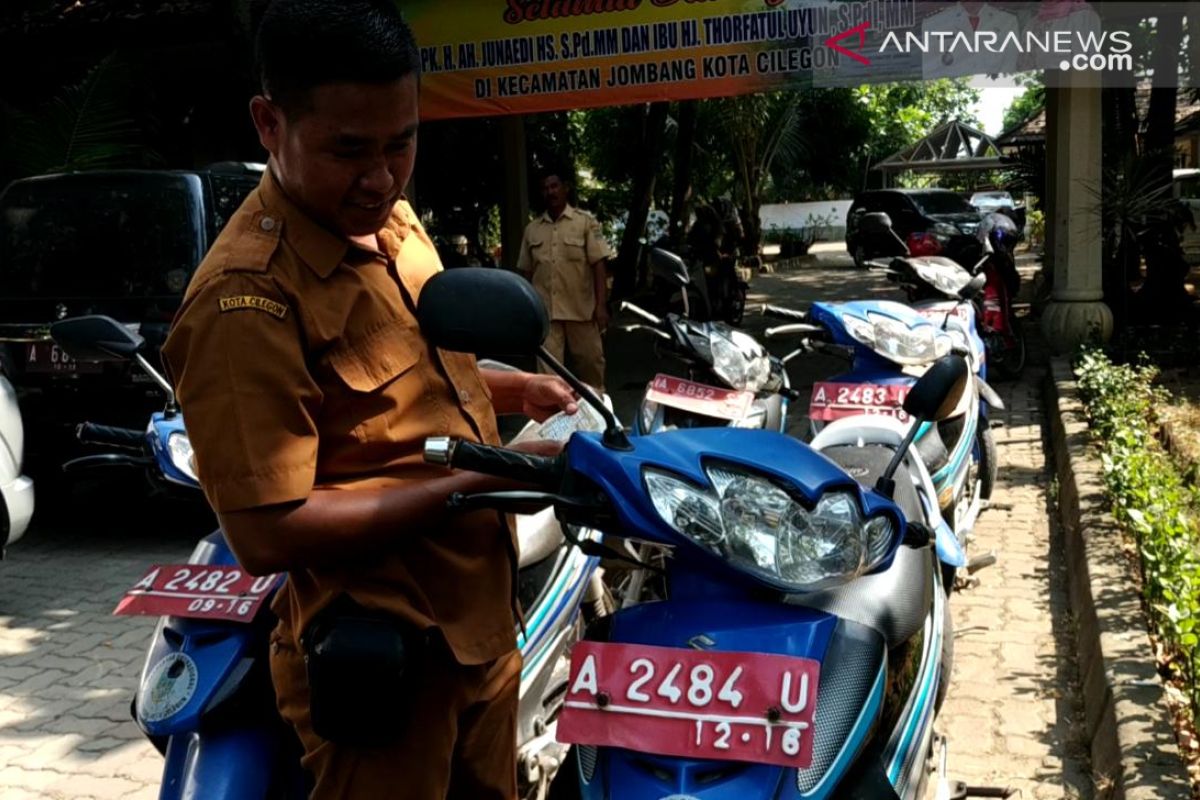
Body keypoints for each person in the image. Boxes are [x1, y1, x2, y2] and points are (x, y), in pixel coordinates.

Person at [160, 1, 577, 797]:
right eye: (349, 149)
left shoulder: (387, 223)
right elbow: (267, 531)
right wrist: (475, 484)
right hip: (382, 664)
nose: (381, 176)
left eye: (402, 142)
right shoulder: (246, 301)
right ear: (268, 124)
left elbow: (401, 384)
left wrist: (515, 388)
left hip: (478, 629)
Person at [517, 170, 612, 392]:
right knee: (549, 378)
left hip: (581, 312)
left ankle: (599, 414)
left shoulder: (585, 223)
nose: (550, 192)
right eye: (545, 188)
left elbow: (598, 265)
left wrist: (601, 306)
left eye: (554, 186)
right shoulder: (532, 230)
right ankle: (554, 419)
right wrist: (526, 313)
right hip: (546, 315)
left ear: (565, 188)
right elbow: (527, 274)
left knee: (592, 368)